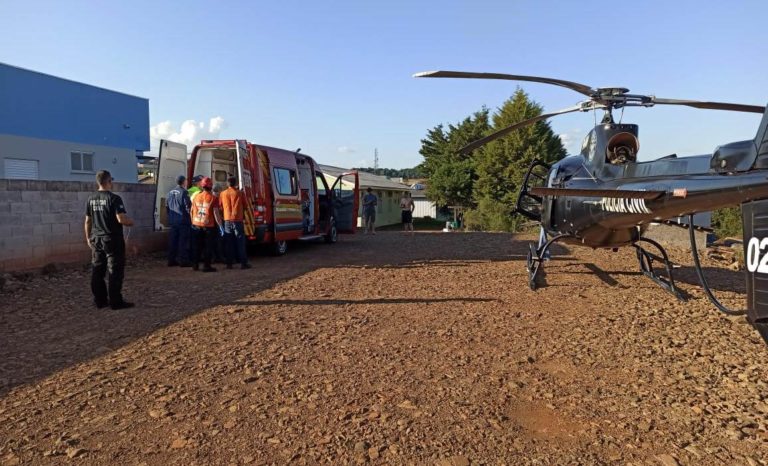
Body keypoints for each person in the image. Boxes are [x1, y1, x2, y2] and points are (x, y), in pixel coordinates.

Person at [84, 170, 135, 310]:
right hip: (112, 240)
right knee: (115, 270)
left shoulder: (91, 198)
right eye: (111, 181)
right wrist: (130, 222)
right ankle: (116, 302)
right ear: (108, 182)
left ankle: (100, 301)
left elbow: (88, 221)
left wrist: (88, 238)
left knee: (97, 271)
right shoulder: (114, 198)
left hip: (96, 239)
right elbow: (121, 219)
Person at [190, 177, 222, 272]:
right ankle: (206, 266)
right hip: (208, 226)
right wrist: (220, 225)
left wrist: (193, 222)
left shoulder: (196, 196)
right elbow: (216, 213)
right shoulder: (213, 198)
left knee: (197, 246)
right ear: (211, 186)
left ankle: (195, 265)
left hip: (196, 224)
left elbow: (191, 210)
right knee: (208, 246)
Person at [220, 176, 252, 269]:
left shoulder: (223, 193)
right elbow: (246, 206)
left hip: (227, 220)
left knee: (229, 242)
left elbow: (220, 206)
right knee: (240, 242)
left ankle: (229, 263)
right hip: (237, 220)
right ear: (236, 183)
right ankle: (243, 263)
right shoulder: (240, 193)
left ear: (227, 184)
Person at [166, 175, 192, 267]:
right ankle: (183, 260)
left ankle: (171, 260)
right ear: (183, 182)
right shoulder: (184, 192)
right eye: (186, 180)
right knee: (183, 241)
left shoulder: (169, 193)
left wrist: (170, 217)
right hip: (183, 221)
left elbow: (167, 207)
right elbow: (187, 206)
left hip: (173, 221)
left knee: (173, 241)